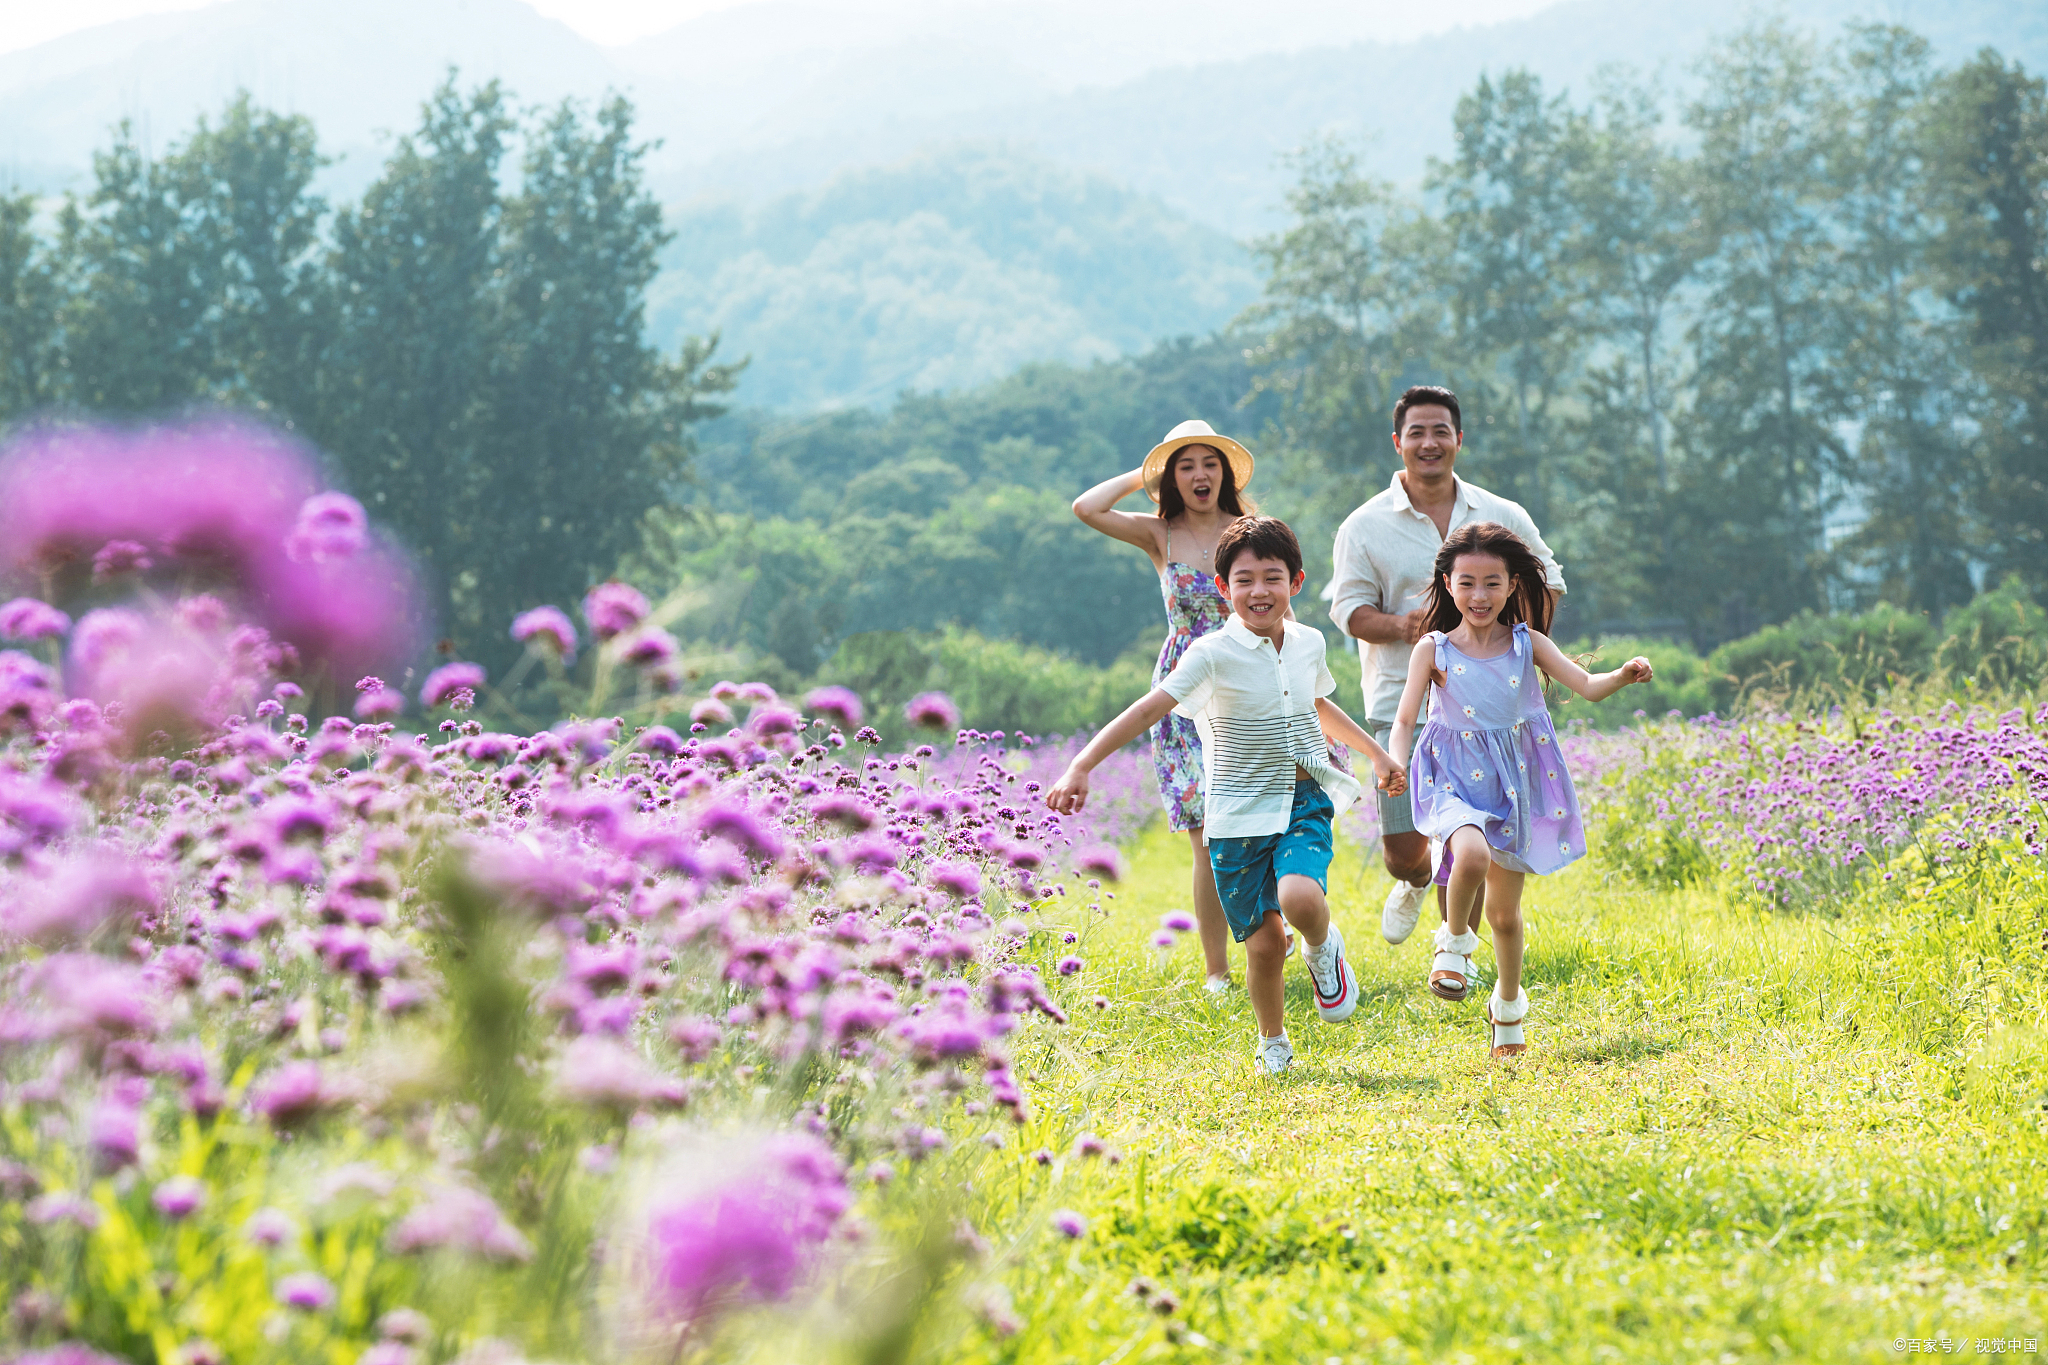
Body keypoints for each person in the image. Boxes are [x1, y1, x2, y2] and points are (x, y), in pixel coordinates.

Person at [1046, 516, 1405, 1076]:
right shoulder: (1210, 654)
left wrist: (1375, 753)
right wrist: (1081, 763)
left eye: (1272, 577)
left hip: (1301, 795)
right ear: (1223, 588)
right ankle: (1273, 1040)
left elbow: (1319, 705)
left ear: (1297, 582)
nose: (1259, 591)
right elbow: (1148, 710)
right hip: (1236, 818)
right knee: (1262, 945)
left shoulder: (1308, 642)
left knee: (1300, 900)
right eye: (1244, 580)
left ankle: (1321, 946)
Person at [1388, 522, 1651, 1058]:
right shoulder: (1432, 649)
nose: (1478, 595)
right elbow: (1404, 718)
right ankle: (1454, 944)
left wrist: (1623, 674)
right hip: (1452, 779)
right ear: (1447, 583)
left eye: (1491, 583)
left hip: (1513, 786)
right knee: (1471, 852)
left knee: (1505, 917)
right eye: (1466, 583)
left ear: (1512, 586)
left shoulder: (1526, 643)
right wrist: (1391, 761)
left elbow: (1587, 687)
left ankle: (1507, 1006)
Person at [1323, 385, 1566, 962]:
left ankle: (1457, 957)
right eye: (1416, 433)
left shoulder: (1500, 514)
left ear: (1458, 438)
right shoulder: (1363, 525)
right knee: (1405, 848)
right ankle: (1412, 879)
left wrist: (1510, 636)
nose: (1429, 443)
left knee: (1474, 839)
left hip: (1488, 711)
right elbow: (1347, 611)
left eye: (1440, 432)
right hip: (1398, 702)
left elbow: (1549, 580)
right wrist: (1410, 630)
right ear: (1398, 443)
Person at [1071, 419, 1256, 991]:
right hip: (1180, 694)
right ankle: (1217, 972)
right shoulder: (1160, 533)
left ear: (1224, 473)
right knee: (1206, 832)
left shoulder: (1250, 530)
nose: (1199, 475)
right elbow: (1086, 507)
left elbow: (1281, 607)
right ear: (1170, 477)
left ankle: (1270, 931)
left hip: (1245, 684)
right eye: (1185, 465)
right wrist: (1144, 474)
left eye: (1208, 463)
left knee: (1254, 830)